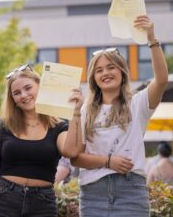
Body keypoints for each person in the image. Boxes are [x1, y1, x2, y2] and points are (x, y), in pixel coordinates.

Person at [71, 15, 168, 216]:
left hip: (131, 192)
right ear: (94, 79)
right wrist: (108, 161)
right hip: (92, 194)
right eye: (99, 70)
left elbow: (161, 80)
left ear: (122, 72)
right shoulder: (84, 111)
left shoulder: (138, 103)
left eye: (110, 67)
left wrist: (151, 38)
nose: (105, 73)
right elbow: (76, 158)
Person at [0, 62, 84, 217]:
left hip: (42, 203)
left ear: (40, 87)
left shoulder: (59, 126)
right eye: (17, 93)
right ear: (12, 99)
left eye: (28, 88)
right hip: (3, 199)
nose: (24, 95)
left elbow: (71, 151)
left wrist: (76, 113)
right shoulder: (4, 124)